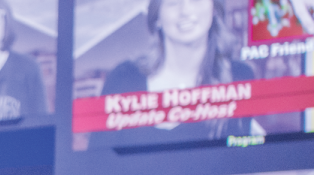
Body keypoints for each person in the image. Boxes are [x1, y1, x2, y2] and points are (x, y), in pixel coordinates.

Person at [96, 0, 254, 146]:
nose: (185, 10)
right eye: (173, 2)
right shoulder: (123, 78)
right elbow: (97, 164)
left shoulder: (239, 76)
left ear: (214, 8)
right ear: (157, 16)